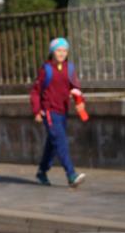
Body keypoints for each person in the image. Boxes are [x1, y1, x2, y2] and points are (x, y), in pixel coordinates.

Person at [30, 37, 87, 188]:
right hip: (49, 111)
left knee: (53, 143)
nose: (62, 53)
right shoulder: (46, 69)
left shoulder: (70, 68)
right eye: (58, 50)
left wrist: (80, 101)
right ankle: (71, 175)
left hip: (63, 111)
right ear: (52, 52)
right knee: (61, 141)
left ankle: (42, 171)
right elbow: (35, 92)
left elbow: (75, 88)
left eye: (64, 51)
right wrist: (36, 111)